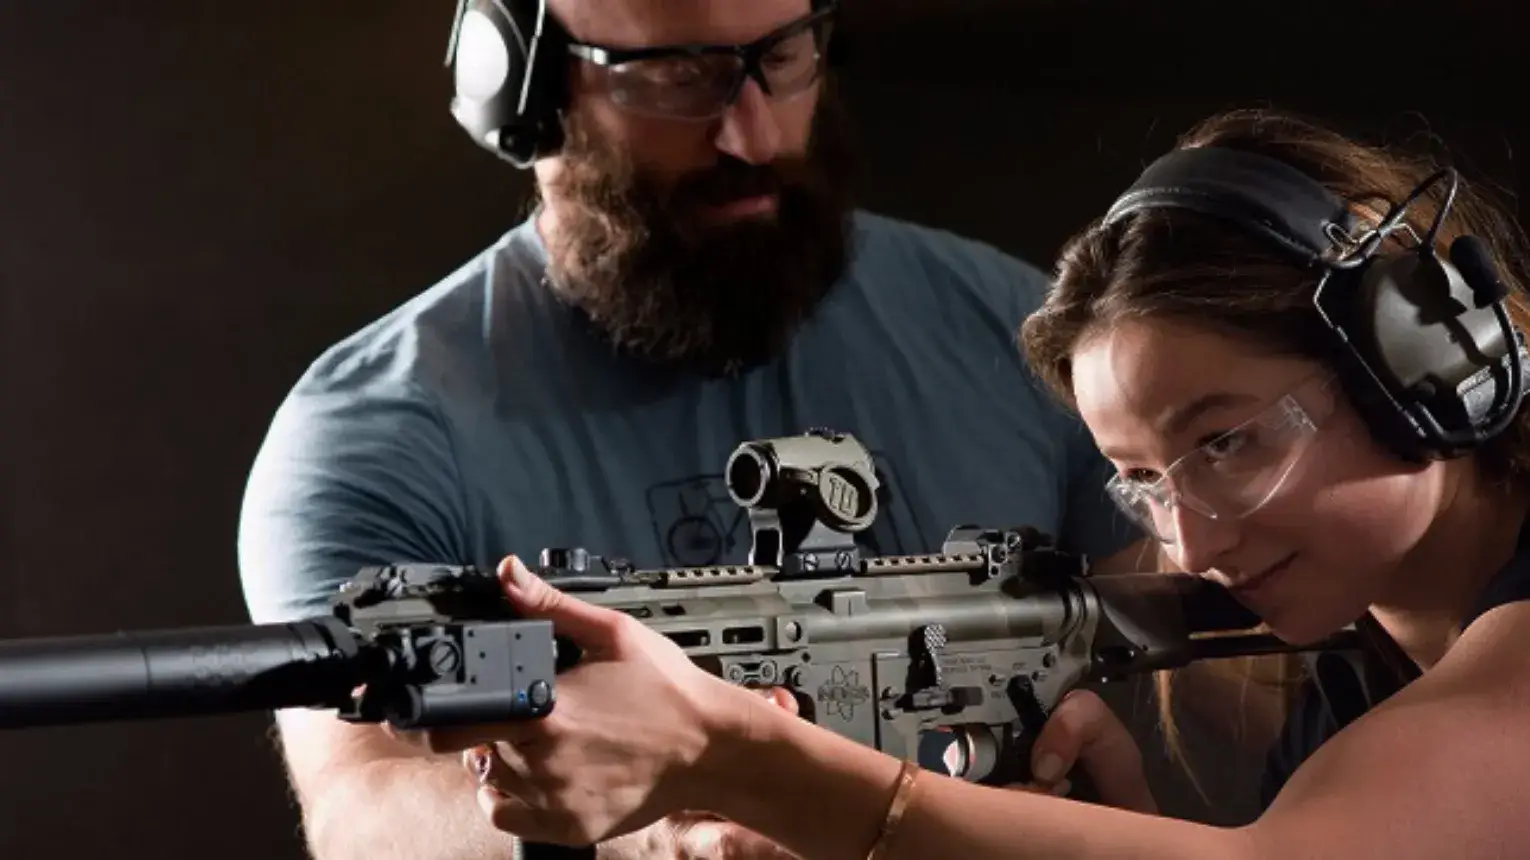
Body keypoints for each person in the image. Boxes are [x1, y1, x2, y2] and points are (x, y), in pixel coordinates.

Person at [428, 107, 1530, 859]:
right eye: (1142, 480)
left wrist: (743, 756)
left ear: (1421, 360)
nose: (1191, 544)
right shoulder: (1359, 677)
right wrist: (1111, 823)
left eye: (1227, 442)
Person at [234, 1, 1146, 858]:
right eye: (678, 77)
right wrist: (643, 837)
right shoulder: (378, 429)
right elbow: (363, 810)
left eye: (783, 56)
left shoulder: (1026, 335)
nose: (754, 136)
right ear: (522, 88)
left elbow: (1188, 662)